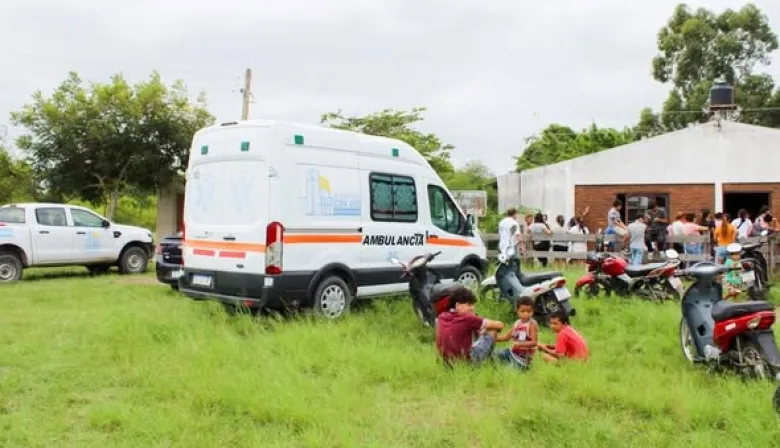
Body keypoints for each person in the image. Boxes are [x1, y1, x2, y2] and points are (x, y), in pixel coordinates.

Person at [436, 288, 505, 366]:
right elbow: (500, 325)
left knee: (476, 329)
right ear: (458, 305)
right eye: (469, 305)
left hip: (446, 363)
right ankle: (488, 362)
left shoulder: (442, 317)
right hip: (466, 362)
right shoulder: (468, 319)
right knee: (492, 330)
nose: (472, 308)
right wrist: (485, 328)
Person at [496, 297, 538, 369]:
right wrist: (491, 338)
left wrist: (519, 344)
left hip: (523, 360)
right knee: (492, 355)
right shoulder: (517, 323)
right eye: (522, 311)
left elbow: (534, 342)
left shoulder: (532, 324)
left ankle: (522, 367)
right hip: (512, 353)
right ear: (517, 311)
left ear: (533, 311)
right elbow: (506, 337)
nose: (526, 314)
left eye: (529, 311)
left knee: (508, 372)